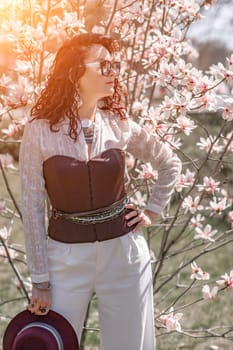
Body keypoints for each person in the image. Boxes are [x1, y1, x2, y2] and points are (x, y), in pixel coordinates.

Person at [19, 33, 182, 350]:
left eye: (115, 65)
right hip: (64, 260)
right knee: (54, 343)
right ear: (74, 72)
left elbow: (169, 162)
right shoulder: (39, 131)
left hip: (124, 255)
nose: (113, 71)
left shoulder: (118, 124)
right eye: (103, 65)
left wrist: (151, 212)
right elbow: (32, 207)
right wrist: (40, 279)